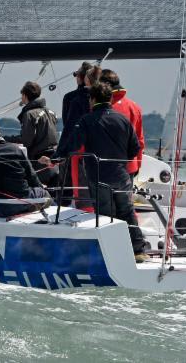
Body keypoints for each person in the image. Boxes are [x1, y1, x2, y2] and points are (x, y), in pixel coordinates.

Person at [42, 82, 148, 262]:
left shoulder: (86, 120)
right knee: (127, 211)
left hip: (99, 175)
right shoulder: (123, 120)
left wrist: (53, 159)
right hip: (121, 175)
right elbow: (134, 149)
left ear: (92, 99)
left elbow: (72, 145)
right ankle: (138, 250)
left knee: (106, 215)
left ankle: (113, 255)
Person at [57, 62, 100, 205]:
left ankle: (63, 206)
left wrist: (59, 153)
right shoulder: (103, 97)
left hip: (75, 147)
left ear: (81, 78)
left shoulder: (71, 98)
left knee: (66, 186)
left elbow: (68, 124)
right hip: (97, 150)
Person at [5, 81, 58, 185]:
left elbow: (26, 140)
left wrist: (5, 139)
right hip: (53, 159)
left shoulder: (29, 114)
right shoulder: (51, 112)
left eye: (22, 95)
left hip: (39, 162)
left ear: (25, 95)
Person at [99, 69, 145, 179]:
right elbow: (140, 141)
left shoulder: (100, 108)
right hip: (130, 167)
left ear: (106, 85)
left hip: (105, 167)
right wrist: (138, 164)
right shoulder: (135, 107)